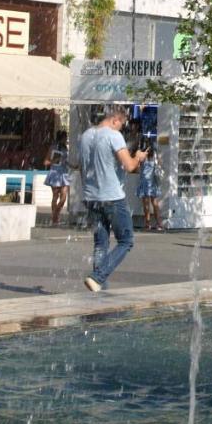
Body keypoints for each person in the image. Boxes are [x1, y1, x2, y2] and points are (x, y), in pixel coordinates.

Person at [80, 105, 142, 292]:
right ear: (115, 119)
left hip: (91, 197)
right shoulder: (113, 135)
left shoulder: (85, 136)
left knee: (101, 243)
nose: (120, 129)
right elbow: (129, 166)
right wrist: (138, 157)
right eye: (120, 125)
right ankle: (97, 277)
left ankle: (99, 287)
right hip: (112, 197)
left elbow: (82, 166)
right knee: (126, 240)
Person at [44, 130, 70, 227]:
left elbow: (66, 161)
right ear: (61, 138)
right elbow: (46, 162)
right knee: (55, 196)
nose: (66, 139)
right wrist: (54, 160)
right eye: (65, 137)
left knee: (63, 197)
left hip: (64, 173)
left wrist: (73, 166)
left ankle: (55, 214)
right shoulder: (53, 147)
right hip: (55, 173)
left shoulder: (65, 148)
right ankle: (55, 218)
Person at [136, 142, 162, 232]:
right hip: (153, 182)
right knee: (155, 204)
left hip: (144, 182)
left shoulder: (143, 157)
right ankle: (159, 224)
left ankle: (148, 224)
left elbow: (137, 168)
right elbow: (160, 165)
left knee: (146, 205)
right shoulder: (155, 157)